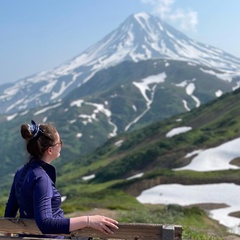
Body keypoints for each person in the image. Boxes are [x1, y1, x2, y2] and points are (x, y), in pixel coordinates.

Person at [4, 120, 119, 238]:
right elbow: (46, 224)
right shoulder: (41, 178)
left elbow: (10, 210)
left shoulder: (20, 172)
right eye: (60, 143)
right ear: (50, 150)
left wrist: (7, 237)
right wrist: (88, 220)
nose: (61, 146)